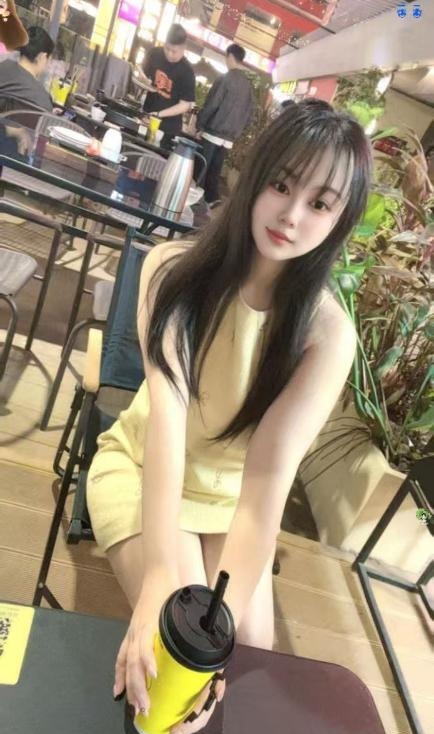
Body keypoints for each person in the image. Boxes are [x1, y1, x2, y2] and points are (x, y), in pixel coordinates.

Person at [86, 99, 372, 732]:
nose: (291, 216)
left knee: (244, 662)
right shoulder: (171, 272)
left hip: (231, 503)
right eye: (282, 185)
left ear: (340, 220)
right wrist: (160, 575)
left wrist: (222, 644)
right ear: (255, 176)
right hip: (144, 469)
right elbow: (166, 426)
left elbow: (266, 484)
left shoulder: (326, 335)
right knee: (175, 654)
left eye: (320, 204)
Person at [197, 43, 254, 206]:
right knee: (215, 169)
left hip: (213, 131)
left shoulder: (225, 79)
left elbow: (212, 104)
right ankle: (211, 199)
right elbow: (249, 116)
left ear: (230, 56)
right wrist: (237, 131)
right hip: (229, 138)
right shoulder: (248, 87)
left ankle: (195, 199)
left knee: (202, 167)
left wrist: (200, 125)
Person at [138, 24, 195, 151]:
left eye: (174, 51)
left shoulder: (187, 71)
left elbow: (185, 105)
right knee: (137, 152)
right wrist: (143, 80)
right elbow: (142, 75)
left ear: (183, 48)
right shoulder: (154, 53)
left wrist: (158, 115)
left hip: (168, 129)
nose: (169, 54)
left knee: (155, 160)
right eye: (167, 48)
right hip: (146, 118)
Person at [0, 24, 54, 112]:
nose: (47, 65)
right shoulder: (43, 101)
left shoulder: (3, 66)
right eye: (48, 60)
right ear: (41, 57)